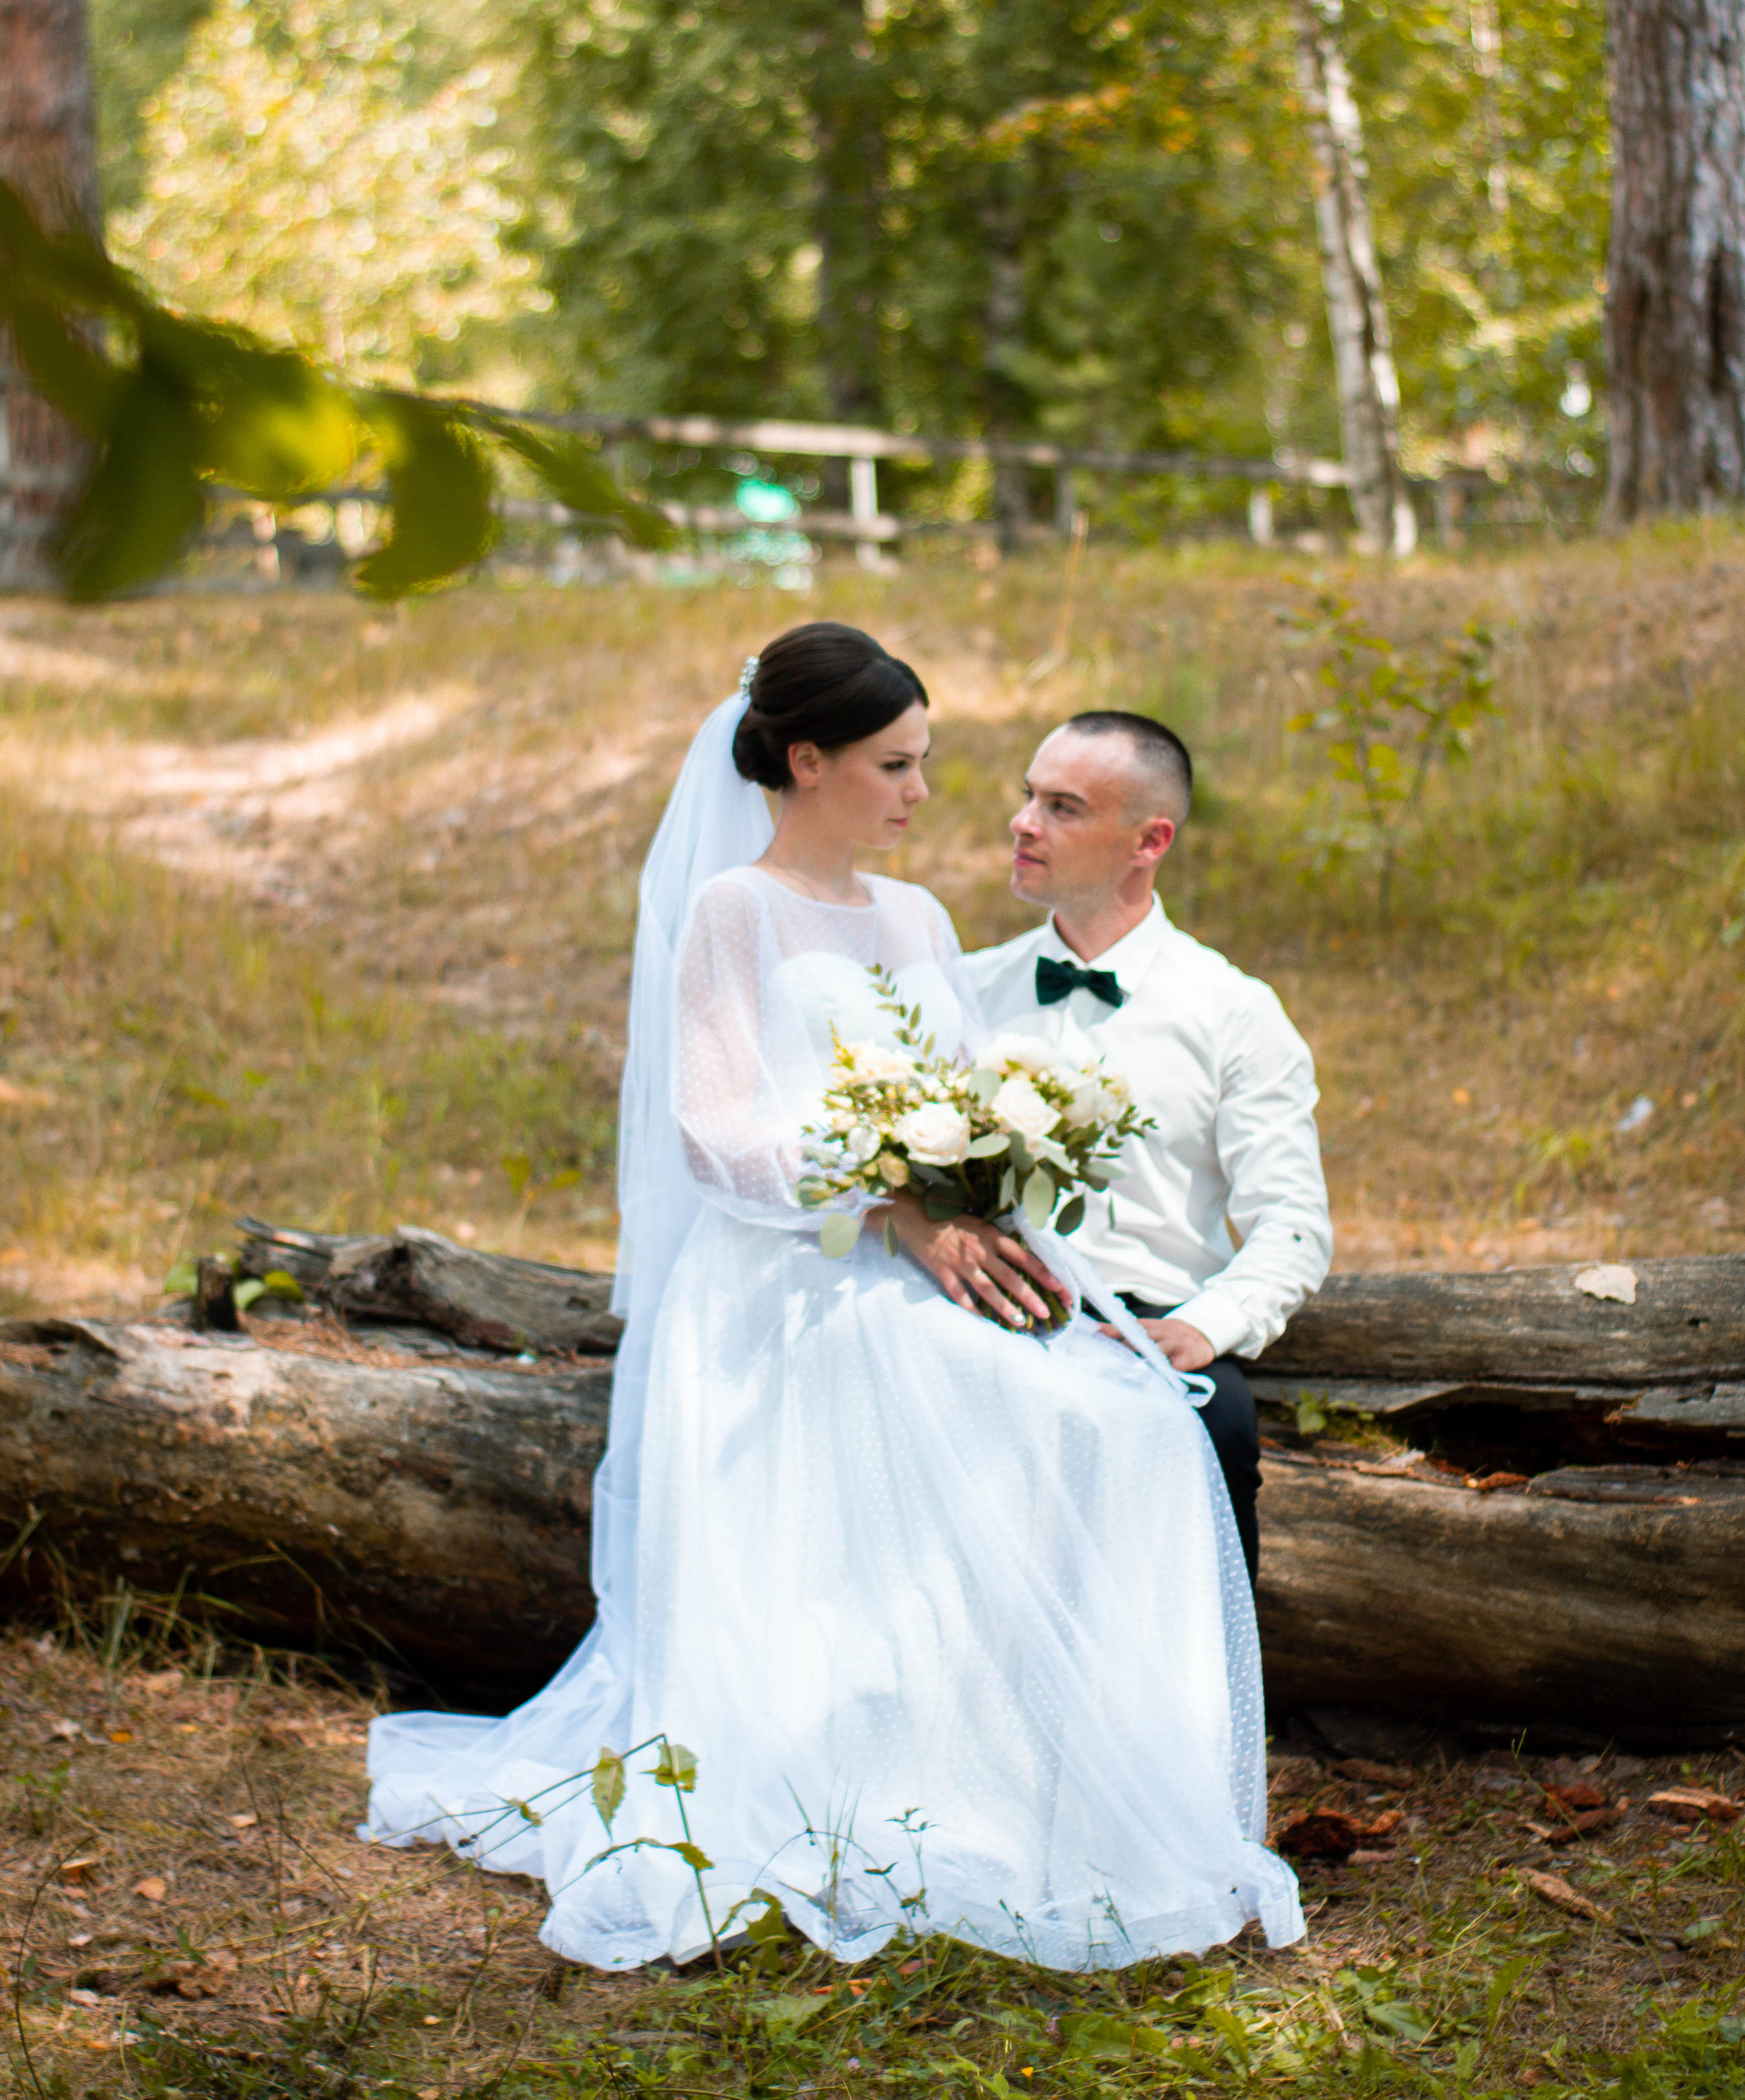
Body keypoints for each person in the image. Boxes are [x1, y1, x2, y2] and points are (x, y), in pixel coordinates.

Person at [364, 627, 1302, 1972]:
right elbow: (716, 1133)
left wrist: (977, 1169)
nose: (926, 796)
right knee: (989, 1412)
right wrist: (883, 1190)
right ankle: (853, 1775)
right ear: (806, 763)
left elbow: (971, 1098)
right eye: (896, 765)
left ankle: (1061, 1765)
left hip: (906, 1261)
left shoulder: (916, 920)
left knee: (1132, 1418)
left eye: (924, 763)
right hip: (776, 1282)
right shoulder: (732, 913)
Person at [965, 711, 1333, 1582]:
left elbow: (1290, 1225)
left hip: (1146, 1328)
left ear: (1148, 840)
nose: (1022, 824)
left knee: (1214, 1435)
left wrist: (1203, 1329)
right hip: (981, 1322)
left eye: (1062, 807)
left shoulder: (1233, 1012)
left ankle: (1198, 1714)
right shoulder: (964, 992)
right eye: (1027, 798)